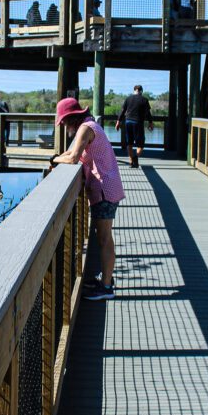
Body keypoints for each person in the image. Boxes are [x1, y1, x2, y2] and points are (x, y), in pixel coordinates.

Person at [51, 97, 125, 301]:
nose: (63, 125)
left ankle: (106, 287)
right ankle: (106, 279)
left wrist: (53, 160)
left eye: (64, 121)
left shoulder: (85, 128)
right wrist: (60, 157)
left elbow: (73, 158)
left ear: (72, 118)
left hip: (104, 189)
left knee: (104, 238)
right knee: (104, 237)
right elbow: (72, 151)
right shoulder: (89, 125)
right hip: (106, 187)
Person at [116, 84, 154, 168]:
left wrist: (118, 121)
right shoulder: (144, 100)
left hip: (128, 122)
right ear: (141, 91)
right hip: (138, 123)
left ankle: (131, 162)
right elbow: (148, 113)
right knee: (141, 144)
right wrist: (150, 122)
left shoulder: (128, 98)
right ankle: (135, 157)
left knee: (129, 143)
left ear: (134, 90)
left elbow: (122, 111)